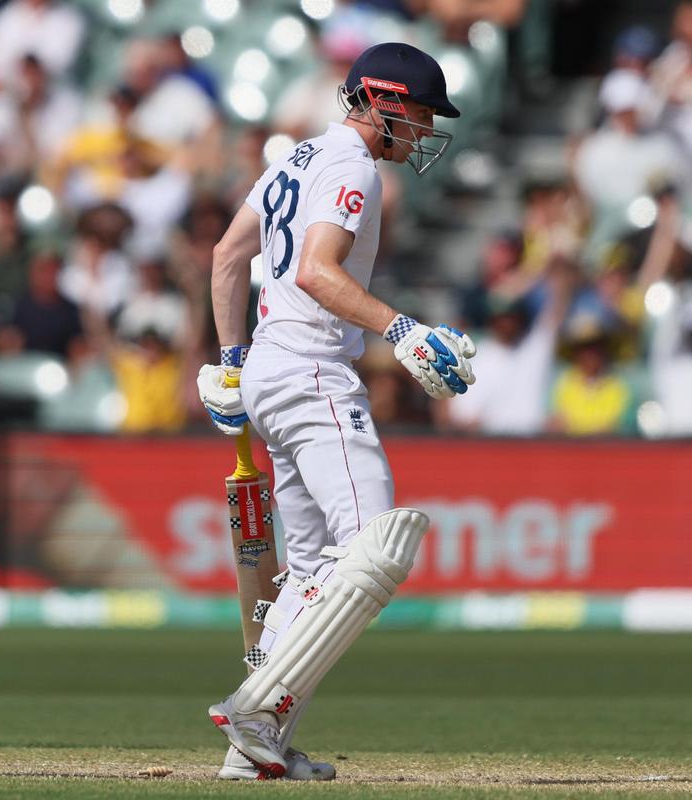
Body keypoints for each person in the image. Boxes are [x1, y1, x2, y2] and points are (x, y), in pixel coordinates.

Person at [196, 42, 476, 780]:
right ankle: (260, 708)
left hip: (268, 367)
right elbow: (318, 271)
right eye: (416, 116)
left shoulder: (296, 157)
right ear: (381, 102)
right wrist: (403, 329)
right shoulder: (352, 166)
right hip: (313, 371)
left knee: (319, 564)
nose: (421, 133)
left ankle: (255, 751)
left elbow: (227, 256)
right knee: (375, 547)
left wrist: (232, 364)